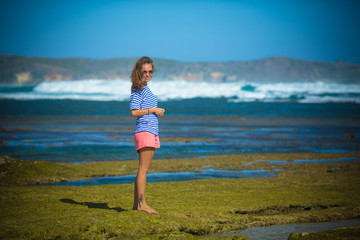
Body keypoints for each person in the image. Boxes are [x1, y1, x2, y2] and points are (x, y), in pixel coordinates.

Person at [129, 56, 165, 214]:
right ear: (139, 71)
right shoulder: (138, 88)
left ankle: (137, 205)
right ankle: (142, 204)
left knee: (142, 169)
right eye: (144, 71)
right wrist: (153, 110)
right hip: (145, 131)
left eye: (150, 71)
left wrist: (157, 110)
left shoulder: (145, 87)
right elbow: (134, 112)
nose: (148, 74)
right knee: (143, 169)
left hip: (149, 131)